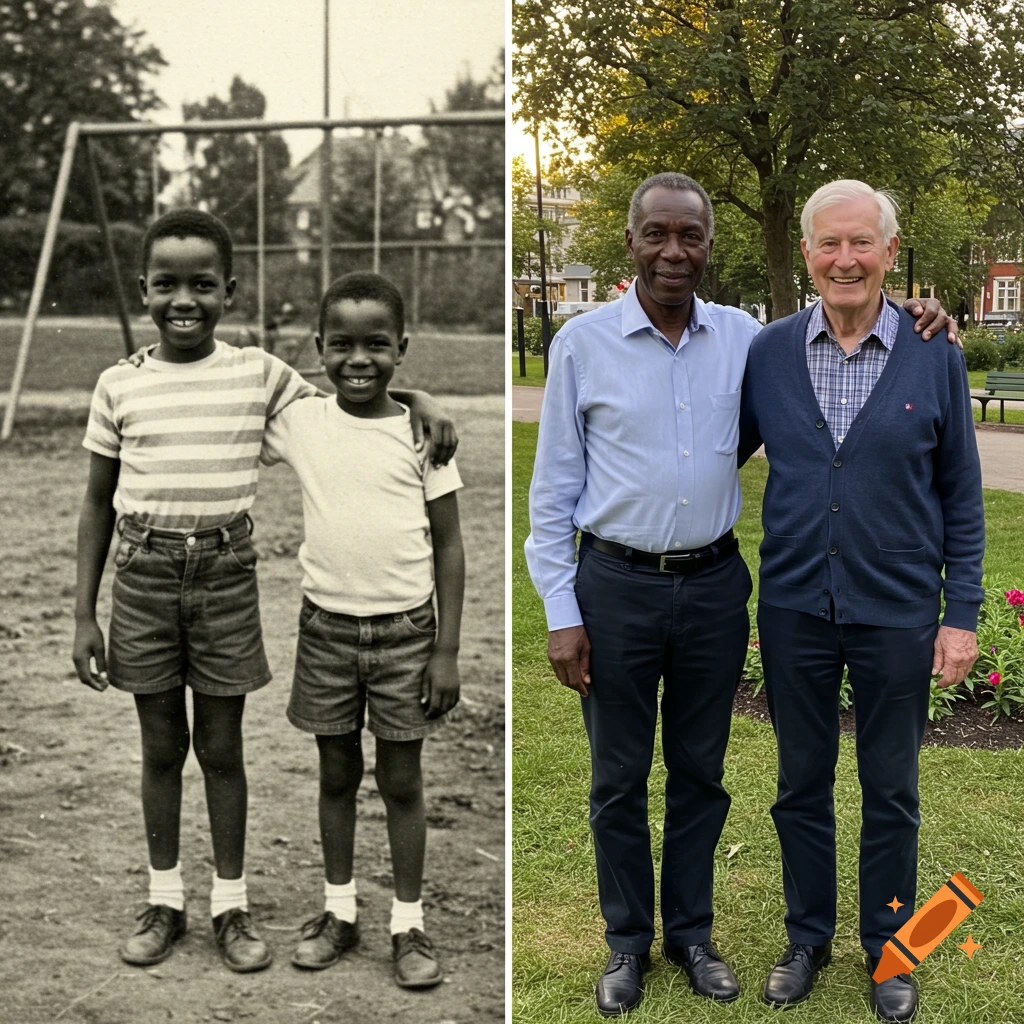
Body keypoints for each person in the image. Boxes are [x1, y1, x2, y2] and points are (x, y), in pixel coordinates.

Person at [524, 172, 957, 1018]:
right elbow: (552, 491)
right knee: (618, 777)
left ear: (710, 245)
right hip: (612, 584)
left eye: (691, 235)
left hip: (717, 586)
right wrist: (561, 612)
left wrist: (917, 319)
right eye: (658, 233)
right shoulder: (580, 344)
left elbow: (834, 391)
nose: (674, 251)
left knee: (702, 775)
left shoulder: (745, 341)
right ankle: (627, 943)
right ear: (631, 240)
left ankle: (693, 934)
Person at [72, 209, 457, 973]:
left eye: (203, 285)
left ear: (230, 291)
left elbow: (354, 391)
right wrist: (83, 611)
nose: (184, 300)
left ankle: (230, 905)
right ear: (144, 290)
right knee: (160, 746)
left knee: (221, 747)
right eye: (166, 284)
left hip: (223, 579)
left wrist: (422, 401)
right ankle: (165, 899)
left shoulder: (258, 375)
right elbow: (95, 500)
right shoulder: (117, 385)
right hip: (143, 578)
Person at [738, 180, 983, 1023]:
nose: (845, 259)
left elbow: (962, 494)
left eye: (861, 244)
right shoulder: (767, 353)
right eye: (828, 244)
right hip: (797, 608)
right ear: (806, 252)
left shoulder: (933, 352)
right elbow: (705, 448)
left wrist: (963, 614)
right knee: (799, 782)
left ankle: (893, 949)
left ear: (888, 248)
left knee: (893, 787)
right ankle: (807, 937)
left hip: (900, 609)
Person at [259, 271, 464, 988]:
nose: (357, 359)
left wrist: (445, 650)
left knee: (401, 778)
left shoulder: (422, 434)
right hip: (326, 631)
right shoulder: (303, 422)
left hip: (407, 633)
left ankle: (407, 924)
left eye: (375, 345)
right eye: (340, 344)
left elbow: (450, 547)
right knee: (337, 773)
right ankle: (339, 911)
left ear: (401, 347)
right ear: (317, 347)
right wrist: (421, 393)